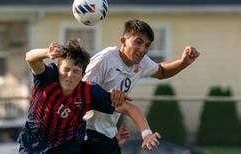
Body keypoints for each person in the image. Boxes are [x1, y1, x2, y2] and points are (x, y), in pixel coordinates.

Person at [18, 39, 160, 154]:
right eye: (66, 70)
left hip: (66, 149)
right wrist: (47, 53)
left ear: (83, 74)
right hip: (31, 146)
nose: (70, 75)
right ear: (58, 69)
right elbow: (30, 58)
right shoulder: (47, 78)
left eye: (75, 71)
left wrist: (146, 133)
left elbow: (128, 107)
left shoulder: (88, 92)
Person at [82, 19, 200, 154]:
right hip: (87, 131)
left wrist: (183, 62)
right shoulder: (106, 58)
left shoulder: (142, 62)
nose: (143, 49)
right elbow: (82, 91)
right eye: (138, 42)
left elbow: (161, 71)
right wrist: (107, 95)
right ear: (123, 40)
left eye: (147, 45)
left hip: (108, 134)